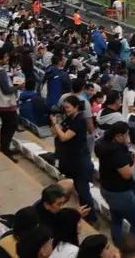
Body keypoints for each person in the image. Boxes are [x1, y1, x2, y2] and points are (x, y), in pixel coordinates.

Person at [51, 96, 96, 224]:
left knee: (83, 191)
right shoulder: (70, 118)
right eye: (64, 108)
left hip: (81, 161)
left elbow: (64, 137)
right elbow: (58, 134)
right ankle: (86, 214)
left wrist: (55, 123)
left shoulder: (80, 120)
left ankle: (91, 218)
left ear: (76, 107)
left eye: (68, 108)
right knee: (80, 189)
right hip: (74, 160)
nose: (65, 110)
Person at [95, 122, 135, 244]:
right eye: (125, 135)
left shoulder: (102, 144)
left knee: (117, 218)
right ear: (119, 136)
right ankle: (130, 249)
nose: (127, 137)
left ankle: (118, 244)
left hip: (107, 188)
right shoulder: (116, 153)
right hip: (120, 193)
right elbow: (127, 175)